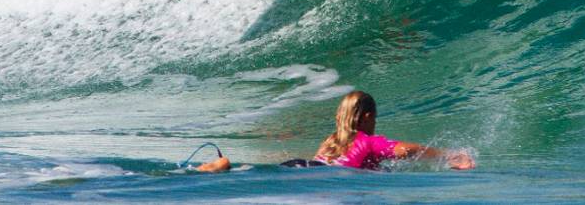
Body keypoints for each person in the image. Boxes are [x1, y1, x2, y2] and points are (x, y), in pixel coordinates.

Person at [192, 90, 475, 173]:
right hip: (315, 176)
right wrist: (450, 155)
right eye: (374, 118)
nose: (375, 124)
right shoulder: (369, 142)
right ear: (366, 117)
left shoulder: (332, 140)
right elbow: (407, 150)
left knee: (253, 174)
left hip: (302, 167)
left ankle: (227, 166)